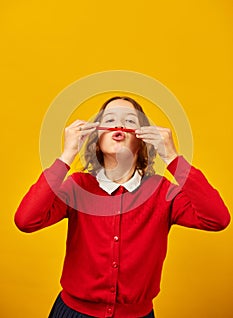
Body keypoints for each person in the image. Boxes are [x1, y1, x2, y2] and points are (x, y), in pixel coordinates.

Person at [14, 96, 230, 318]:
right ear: (96, 138)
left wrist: (172, 157)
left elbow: (217, 219)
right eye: (110, 119)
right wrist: (67, 155)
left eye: (129, 121)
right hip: (73, 312)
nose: (120, 125)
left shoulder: (162, 191)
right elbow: (26, 220)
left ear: (143, 138)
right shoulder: (78, 186)